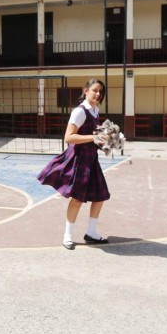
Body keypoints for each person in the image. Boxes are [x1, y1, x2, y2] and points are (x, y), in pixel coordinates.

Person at [37, 78, 110, 250]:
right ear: (86, 91)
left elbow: (94, 134)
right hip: (79, 160)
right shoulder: (80, 111)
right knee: (77, 199)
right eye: (95, 90)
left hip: (91, 159)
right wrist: (94, 137)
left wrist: (105, 140)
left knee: (100, 196)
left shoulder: (95, 109)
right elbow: (68, 137)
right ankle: (67, 235)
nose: (98, 94)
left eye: (101, 91)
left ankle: (91, 232)